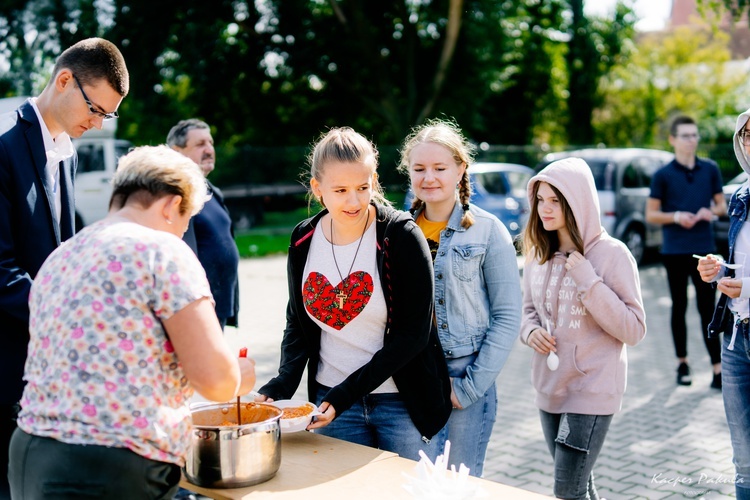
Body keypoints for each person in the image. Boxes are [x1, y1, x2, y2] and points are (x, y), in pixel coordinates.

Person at [8, 145, 257, 499]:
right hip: (109, 460)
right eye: (186, 222)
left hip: (30, 451)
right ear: (172, 204)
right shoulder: (162, 251)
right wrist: (239, 375)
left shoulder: (62, 255)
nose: (183, 233)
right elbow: (216, 381)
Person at [256, 127, 452, 461]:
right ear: (318, 189)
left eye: (363, 187)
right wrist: (279, 387)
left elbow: (413, 335)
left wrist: (346, 392)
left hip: (401, 404)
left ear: (374, 180)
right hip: (331, 403)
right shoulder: (303, 239)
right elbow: (298, 323)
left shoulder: (401, 235)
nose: (355, 201)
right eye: (341, 190)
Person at [0, 37, 128, 498]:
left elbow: (66, 254)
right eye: (95, 108)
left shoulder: (66, 154)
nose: (96, 124)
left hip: (48, 369)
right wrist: (67, 319)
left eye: (107, 116)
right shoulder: (3, 151)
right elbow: (0, 270)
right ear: (64, 80)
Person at [397, 120, 521, 476]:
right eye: (419, 169)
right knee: (414, 485)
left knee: (459, 486)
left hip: (463, 374)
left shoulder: (488, 230)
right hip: (410, 377)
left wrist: (467, 389)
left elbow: (508, 316)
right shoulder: (397, 231)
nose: (429, 177)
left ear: (460, 169)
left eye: (440, 168)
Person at [520, 157, 646, 500]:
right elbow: (527, 310)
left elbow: (634, 330)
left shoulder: (611, 255)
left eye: (556, 200)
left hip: (591, 390)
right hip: (549, 388)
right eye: (541, 199)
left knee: (567, 490)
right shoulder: (539, 251)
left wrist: (588, 281)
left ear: (578, 202)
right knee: (581, 486)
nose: (545, 209)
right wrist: (530, 332)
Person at [646, 115, 726, 388]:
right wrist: (678, 216)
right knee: (678, 307)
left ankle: (717, 369)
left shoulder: (711, 169)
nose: (692, 140)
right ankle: (683, 364)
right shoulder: (662, 175)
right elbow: (652, 215)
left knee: (708, 309)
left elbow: (721, 207)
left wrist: (709, 212)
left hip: (705, 251)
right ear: (673, 140)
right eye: (686, 135)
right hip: (675, 251)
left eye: (695, 135)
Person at [697, 108, 750, 500]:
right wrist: (717, 268)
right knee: (744, 459)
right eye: (746, 134)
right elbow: (739, 263)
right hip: (735, 339)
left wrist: (745, 286)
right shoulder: (741, 196)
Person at [167, 119, 239, 329]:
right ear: (177, 152)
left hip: (219, 306)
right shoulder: (176, 196)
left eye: (210, 142)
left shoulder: (212, 192)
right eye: (200, 145)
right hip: (196, 308)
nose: (209, 150)